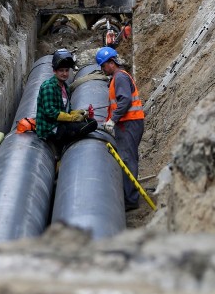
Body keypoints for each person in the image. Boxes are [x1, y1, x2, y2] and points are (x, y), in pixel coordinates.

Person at [95, 46, 145, 211]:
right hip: (128, 122)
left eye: (103, 66)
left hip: (128, 123)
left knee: (128, 159)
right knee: (127, 157)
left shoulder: (120, 78)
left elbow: (125, 102)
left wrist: (113, 121)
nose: (103, 70)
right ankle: (129, 194)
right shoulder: (118, 77)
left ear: (111, 62)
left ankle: (130, 200)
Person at [36, 49, 98, 159]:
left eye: (66, 70)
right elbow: (50, 112)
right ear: (54, 71)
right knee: (88, 126)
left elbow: (65, 109)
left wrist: (77, 113)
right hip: (50, 128)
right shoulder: (48, 87)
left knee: (91, 122)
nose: (64, 74)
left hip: (61, 124)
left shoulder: (64, 87)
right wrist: (71, 118)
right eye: (61, 71)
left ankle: (66, 141)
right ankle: (59, 148)